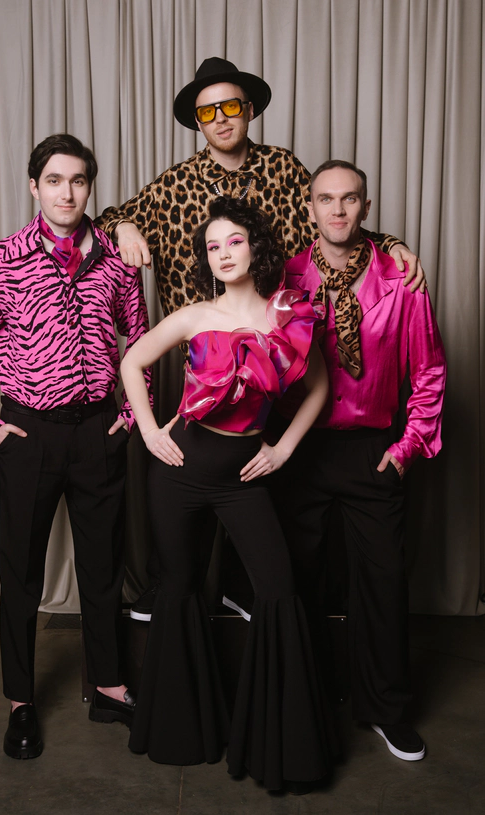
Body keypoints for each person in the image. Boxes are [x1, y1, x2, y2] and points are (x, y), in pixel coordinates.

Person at [96, 56, 426, 621]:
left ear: (248, 110)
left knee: (265, 489)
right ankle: (174, 587)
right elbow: (108, 222)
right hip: (203, 363)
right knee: (190, 486)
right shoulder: (174, 183)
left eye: (230, 106)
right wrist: (124, 223)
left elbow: (336, 218)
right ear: (197, 122)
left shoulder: (284, 168)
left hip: (275, 357)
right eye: (208, 112)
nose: (221, 119)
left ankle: (248, 590)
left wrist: (390, 243)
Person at [0, 134, 151, 759]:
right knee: (21, 573)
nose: (67, 192)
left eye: (78, 180)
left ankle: (108, 685)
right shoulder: (0, 261)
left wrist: (131, 418)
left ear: (90, 187)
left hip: (99, 432)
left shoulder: (115, 260)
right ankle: (20, 700)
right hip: (30, 433)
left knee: (103, 567)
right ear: (35, 186)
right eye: (54, 180)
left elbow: (142, 344)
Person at [120, 196, 335, 793]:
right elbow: (132, 362)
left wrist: (283, 449)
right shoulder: (193, 316)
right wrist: (149, 431)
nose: (223, 253)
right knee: (180, 588)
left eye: (234, 241)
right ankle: (183, 733)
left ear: (255, 246)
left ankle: (280, 747)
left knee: (278, 587)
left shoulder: (287, 316)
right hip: (180, 472)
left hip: (244, 479)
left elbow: (319, 388)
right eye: (212, 246)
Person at [269, 160, 446, 763]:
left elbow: (429, 370)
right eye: (326, 199)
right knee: (300, 580)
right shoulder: (285, 278)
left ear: (366, 208)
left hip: (374, 449)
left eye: (349, 199)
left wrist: (406, 449)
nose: (338, 209)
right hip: (302, 447)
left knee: (383, 584)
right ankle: (312, 695)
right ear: (310, 209)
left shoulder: (402, 279)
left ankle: (386, 709)